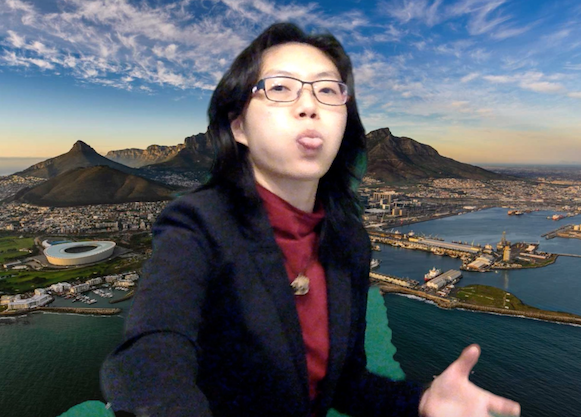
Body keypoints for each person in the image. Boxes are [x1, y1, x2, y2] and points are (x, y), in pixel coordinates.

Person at [100, 22, 521, 417]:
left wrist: (423, 402)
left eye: (328, 91)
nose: (309, 106)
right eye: (280, 87)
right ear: (239, 127)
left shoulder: (349, 240)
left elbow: (344, 384)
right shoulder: (197, 223)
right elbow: (149, 356)